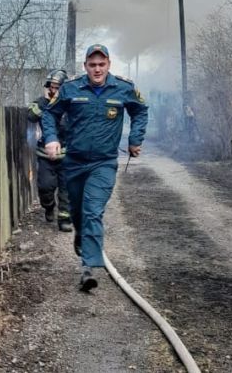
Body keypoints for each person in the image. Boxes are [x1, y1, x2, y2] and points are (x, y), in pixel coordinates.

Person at [42, 44, 148, 292]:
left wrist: (135, 139)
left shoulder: (123, 88)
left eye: (101, 64)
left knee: (92, 210)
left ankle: (88, 268)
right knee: (78, 212)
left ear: (109, 64)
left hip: (104, 163)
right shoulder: (71, 89)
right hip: (75, 163)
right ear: (85, 66)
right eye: (92, 65)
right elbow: (49, 114)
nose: (97, 69)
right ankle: (81, 237)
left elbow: (141, 111)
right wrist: (51, 138)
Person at [27, 69, 72, 232]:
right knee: (46, 187)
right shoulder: (41, 102)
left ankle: (64, 219)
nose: (54, 90)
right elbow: (31, 116)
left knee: (67, 189)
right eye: (51, 87)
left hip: (67, 156)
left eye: (57, 87)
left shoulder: (71, 104)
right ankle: (48, 206)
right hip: (45, 155)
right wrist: (46, 103)